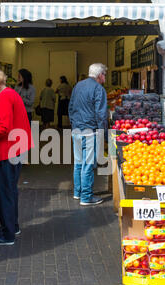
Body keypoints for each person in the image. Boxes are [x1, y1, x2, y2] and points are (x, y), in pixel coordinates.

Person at [0, 67, 33, 246]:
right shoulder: (9, 94)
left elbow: (4, 127)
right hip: (15, 149)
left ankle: (7, 234)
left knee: (4, 192)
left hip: (6, 151)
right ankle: (12, 226)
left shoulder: (4, 98)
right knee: (10, 190)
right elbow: (2, 121)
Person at [68, 63, 108, 206]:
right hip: (90, 132)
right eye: (104, 74)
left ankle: (77, 193)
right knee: (87, 165)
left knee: (78, 163)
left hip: (77, 130)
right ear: (100, 75)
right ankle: (86, 197)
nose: (105, 77)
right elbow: (101, 114)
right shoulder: (99, 89)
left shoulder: (78, 86)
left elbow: (71, 107)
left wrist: (74, 125)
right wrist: (103, 133)